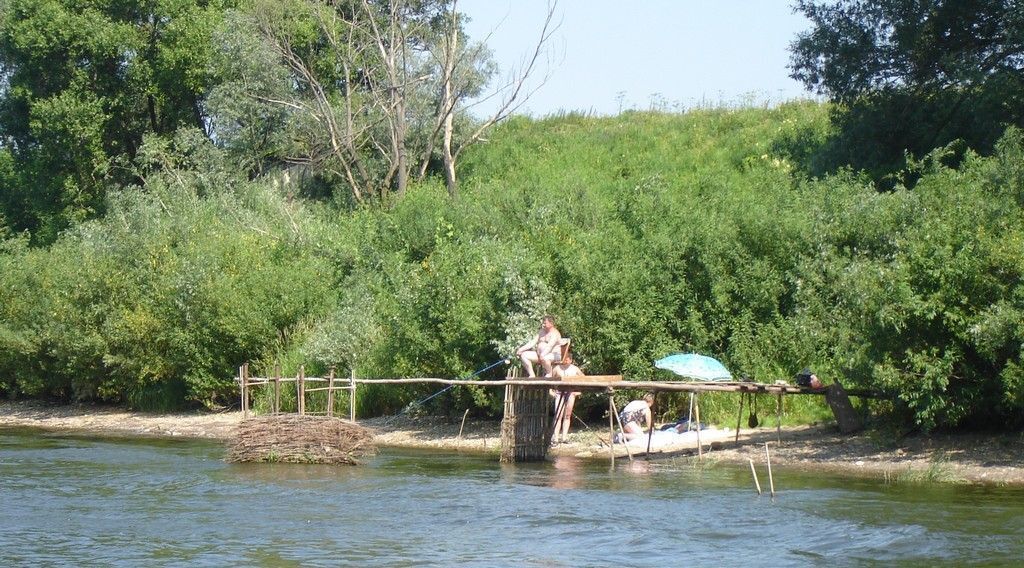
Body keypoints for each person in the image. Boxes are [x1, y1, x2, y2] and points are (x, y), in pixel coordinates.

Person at [550, 353, 582, 445]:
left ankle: (564, 437)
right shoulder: (557, 368)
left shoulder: (575, 369)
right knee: (558, 415)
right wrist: (551, 392)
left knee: (567, 415)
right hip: (559, 393)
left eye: (568, 359)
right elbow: (550, 380)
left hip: (570, 393)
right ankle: (555, 437)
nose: (566, 361)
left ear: (571, 360)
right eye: (565, 359)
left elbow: (584, 379)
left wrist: (578, 392)